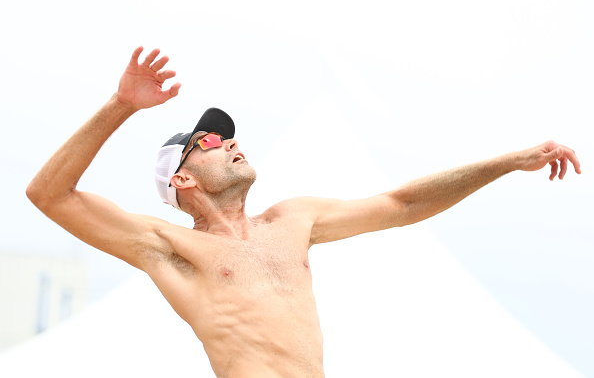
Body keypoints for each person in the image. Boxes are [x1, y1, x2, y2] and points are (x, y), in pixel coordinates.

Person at [26, 47, 581, 378]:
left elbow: (403, 204)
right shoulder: (171, 248)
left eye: (230, 135)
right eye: (212, 139)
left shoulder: (293, 220)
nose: (231, 141)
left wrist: (511, 161)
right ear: (183, 179)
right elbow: (50, 196)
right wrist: (121, 105)